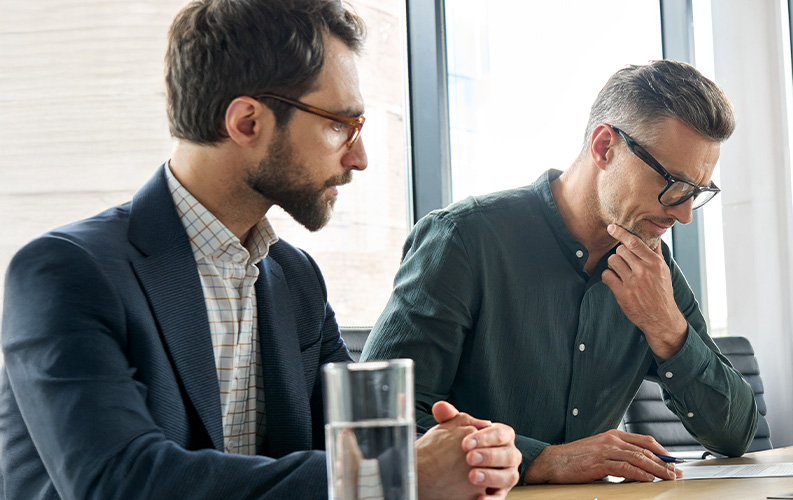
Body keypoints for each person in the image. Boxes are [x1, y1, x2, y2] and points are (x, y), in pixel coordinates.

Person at [0, 1, 518, 499]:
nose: (359, 159)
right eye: (340, 124)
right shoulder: (64, 272)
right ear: (247, 122)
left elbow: (351, 450)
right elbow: (119, 482)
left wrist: (470, 455)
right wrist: (394, 477)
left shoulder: (295, 279)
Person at [363, 60, 759, 484]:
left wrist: (667, 328)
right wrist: (544, 459)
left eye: (696, 193)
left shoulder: (653, 269)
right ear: (605, 147)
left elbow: (734, 435)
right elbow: (377, 421)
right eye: (674, 184)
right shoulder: (463, 240)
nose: (683, 216)